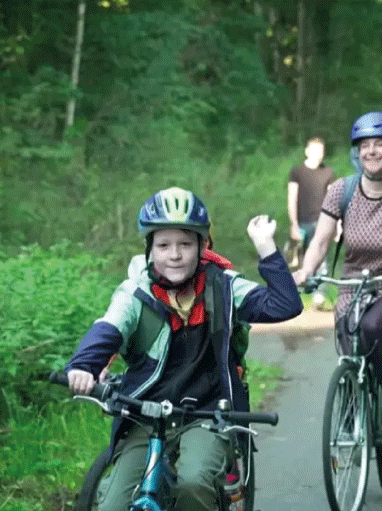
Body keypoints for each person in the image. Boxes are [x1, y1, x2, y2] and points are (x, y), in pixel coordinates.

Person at [64, 188, 303, 511]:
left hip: (206, 411)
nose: (174, 254)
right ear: (149, 250)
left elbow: (285, 305)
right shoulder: (136, 292)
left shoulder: (224, 287)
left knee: (193, 483)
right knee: (112, 505)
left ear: (202, 248)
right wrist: (84, 365)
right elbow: (109, 328)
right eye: (163, 245)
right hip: (144, 412)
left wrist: (265, 247)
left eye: (185, 244)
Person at [293, 111, 382, 427]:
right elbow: (321, 240)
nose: (371, 151)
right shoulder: (342, 190)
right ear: (357, 151)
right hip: (354, 285)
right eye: (365, 145)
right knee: (349, 341)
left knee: (372, 326)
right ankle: (354, 404)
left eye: (379, 144)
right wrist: (306, 269)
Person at [287, 136, 336, 307]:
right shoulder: (297, 172)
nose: (318, 154)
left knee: (322, 258)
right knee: (300, 259)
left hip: (323, 222)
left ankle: (319, 295)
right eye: (315, 150)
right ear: (307, 152)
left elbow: (332, 200)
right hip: (302, 222)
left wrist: (337, 224)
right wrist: (293, 223)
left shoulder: (328, 173)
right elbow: (292, 198)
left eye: (321, 151)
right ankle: (296, 293)